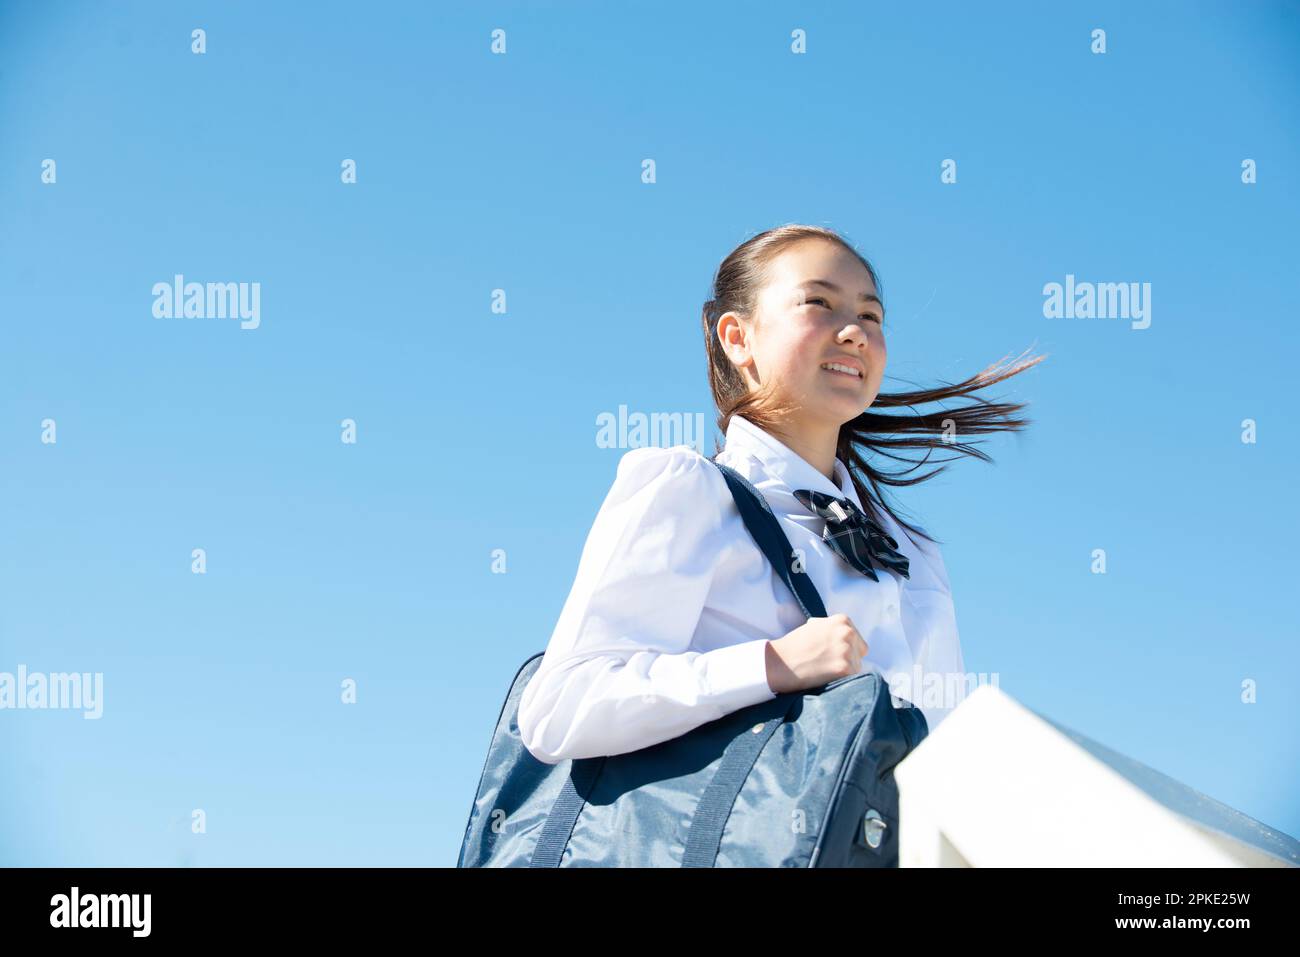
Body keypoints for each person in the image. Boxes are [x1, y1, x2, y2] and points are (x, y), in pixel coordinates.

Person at [517, 224, 1043, 765]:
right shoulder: (689, 491)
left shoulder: (912, 553)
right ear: (737, 338)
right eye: (819, 302)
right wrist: (769, 665)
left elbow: (946, 760)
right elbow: (560, 708)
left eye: (870, 315)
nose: (855, 332)